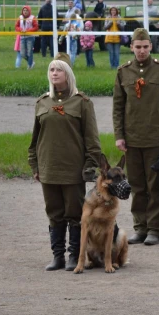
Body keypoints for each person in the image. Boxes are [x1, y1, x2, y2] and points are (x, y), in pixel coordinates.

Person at [28, 52, 102, 272]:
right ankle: (57, 256)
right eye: (51, 69)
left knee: (75, 213)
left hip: (73, 169)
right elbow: (35, 140)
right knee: (54, 212)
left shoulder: (82, 103)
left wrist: (90, 165)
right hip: (48, 168)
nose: (54, 73)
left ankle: (74, 256)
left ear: (68, 74)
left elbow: (92, 139)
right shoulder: (42, 103)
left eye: (58, 69)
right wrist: (35, 165)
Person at [113, 28, 159, 246]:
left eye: (145, 46)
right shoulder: (123, 72)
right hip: (132, 138)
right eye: (137, 47)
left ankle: (154, 229)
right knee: (136, 185)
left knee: (155, 186)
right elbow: (118, 107)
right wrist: (119, 136)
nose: (141, 51)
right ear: (131, 47)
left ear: (151, 46)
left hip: (155, 137)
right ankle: (139, 227)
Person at [15, 6, 39, 70]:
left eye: (26, 10)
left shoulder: (32, 18)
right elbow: (16, 26)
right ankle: (31, 62)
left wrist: (28, 31)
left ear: (29, 11)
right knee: (22, 53)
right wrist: (20, 29)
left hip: (30, 37)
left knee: (29, 52)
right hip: (22, 37)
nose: (25, 12)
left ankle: (29, 66)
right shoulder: (20, 17)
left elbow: (36, 27)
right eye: (24, 10)